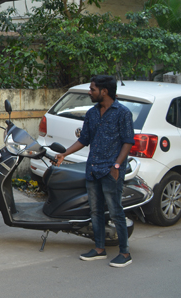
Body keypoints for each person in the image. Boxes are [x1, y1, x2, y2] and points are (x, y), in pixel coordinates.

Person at [55, 75, 135, 268]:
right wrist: (64, 154)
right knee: (95, 211)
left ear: (104, 91)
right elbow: (84, 139)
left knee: (115, 211)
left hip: (111, 170)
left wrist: (117, 165)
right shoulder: (91, 113)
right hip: (93, 169)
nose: (89, 92)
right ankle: (99, 249)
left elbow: (128, 142)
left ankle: (124, 253)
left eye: (92, 89)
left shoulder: (122, 113)